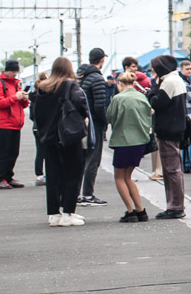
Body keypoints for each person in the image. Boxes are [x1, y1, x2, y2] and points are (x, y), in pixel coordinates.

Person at [32, 57, 91, 229]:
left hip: (49, 137)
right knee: (73, 173)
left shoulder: (42, 88)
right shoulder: (70, 85)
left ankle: (53, 214)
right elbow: (81, 105)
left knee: (53, 174)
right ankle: (67, 213)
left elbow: (36, 114)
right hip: (68, 135)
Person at [146, 56, 189, 219]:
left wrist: (152, 87)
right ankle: (175, 205)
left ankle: (175, 206)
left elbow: (157, 103)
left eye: (154, 69)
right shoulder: (176, 79)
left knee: (171, 170)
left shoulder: (169, 82)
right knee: (173, 169)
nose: (153, 72)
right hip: (175, 129)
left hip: (168, 130)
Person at [107, 72, 153, 222]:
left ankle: (130, 211)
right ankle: (140, 210)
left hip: (123, 141)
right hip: (140, 142)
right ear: (134, 83)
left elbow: (110, 117)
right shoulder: (142, 97)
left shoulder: (118, 98)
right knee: (128, 177)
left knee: (119, 177)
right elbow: (149, 115)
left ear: (119, 83)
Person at [77, 48, 111, 205]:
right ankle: (88, 195)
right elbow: (99, 105)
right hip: (93, 123)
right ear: (102, 60)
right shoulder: (97, 78)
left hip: (80, 121)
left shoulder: (80, 76)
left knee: (81, 159)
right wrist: (105, 122)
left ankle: (76, 194)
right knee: (93, 159)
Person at [0, 58, 30, 190]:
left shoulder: (16, 84)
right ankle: (0, 178)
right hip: (4, 123)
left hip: (15, 123)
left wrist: (24, 99)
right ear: (6, 70)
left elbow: (22, 105)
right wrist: (15, 97)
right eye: (12, 71)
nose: (14, 74)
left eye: (16, 71)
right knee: (4, 152)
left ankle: (8, 176)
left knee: (13, 152)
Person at [31, 71, 49, 186]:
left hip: (36, 127)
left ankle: (39, 175)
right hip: (45, 127)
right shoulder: (45, 95)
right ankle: (47, 174)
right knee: (48, 152)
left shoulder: (33, 95)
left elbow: (31, 116)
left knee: (40, 152)